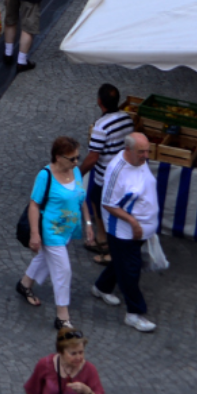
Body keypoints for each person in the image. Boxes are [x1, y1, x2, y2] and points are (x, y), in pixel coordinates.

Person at [17, 136, 89, 331]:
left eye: (77, 158)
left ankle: (24, 284)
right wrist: (35, 234)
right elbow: (34, 204)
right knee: (63, 270)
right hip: (51, 231)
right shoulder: (45, 175)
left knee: (44, 259)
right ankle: (62, 316)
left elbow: (81, 197)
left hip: (67, 230)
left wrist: (88, 223)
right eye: (72, 158)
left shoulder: (74, 171)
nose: (76, 163)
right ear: (58, 157)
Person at [93, 131, 158, 332]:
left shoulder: (138, 160)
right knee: (131, 270)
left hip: (139, 229)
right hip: (123, 231)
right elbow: (108, 204)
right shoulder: (117, 171)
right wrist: (133, 223)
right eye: (141, 152)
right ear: (128, 150)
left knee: (122, 262)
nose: (146, 155)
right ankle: (134, 313)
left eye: (147, 151)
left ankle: (101, 287)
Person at [80, 83, 135, 263]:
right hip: (124, 175)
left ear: (99, 102)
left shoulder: (100, 126)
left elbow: (93, 157)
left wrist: (77, 172)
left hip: (106, 178)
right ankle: (102, 239)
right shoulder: (127, 119)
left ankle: (106, 245)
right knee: (100, 204)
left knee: (101, 206)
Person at [24, 326, 108, 394]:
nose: (79, 357)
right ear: (60, 351)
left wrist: (87, 392)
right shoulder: (45, 364)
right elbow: (32, 392)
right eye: (73, 353)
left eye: (81, 352)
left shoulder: (89, 370)